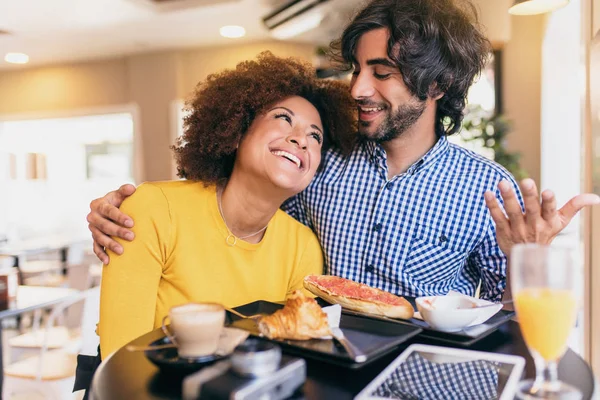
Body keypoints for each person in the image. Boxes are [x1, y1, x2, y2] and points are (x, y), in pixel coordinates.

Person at [87, 0, 600, 303]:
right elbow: (233, 213)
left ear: (438, 84)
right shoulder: (318, 156)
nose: (356, 89)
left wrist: (527, 260)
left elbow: (503, 317)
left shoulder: (488, 189)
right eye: (357, 70)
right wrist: (130, 210)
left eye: (382, 73)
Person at [96, 52, 355, 358]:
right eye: (284, 118)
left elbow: (289, 358)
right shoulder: (154, 209)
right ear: (237, 131)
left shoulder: (303, 248)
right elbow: (121, 360)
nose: (302, 139)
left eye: (316, 137)